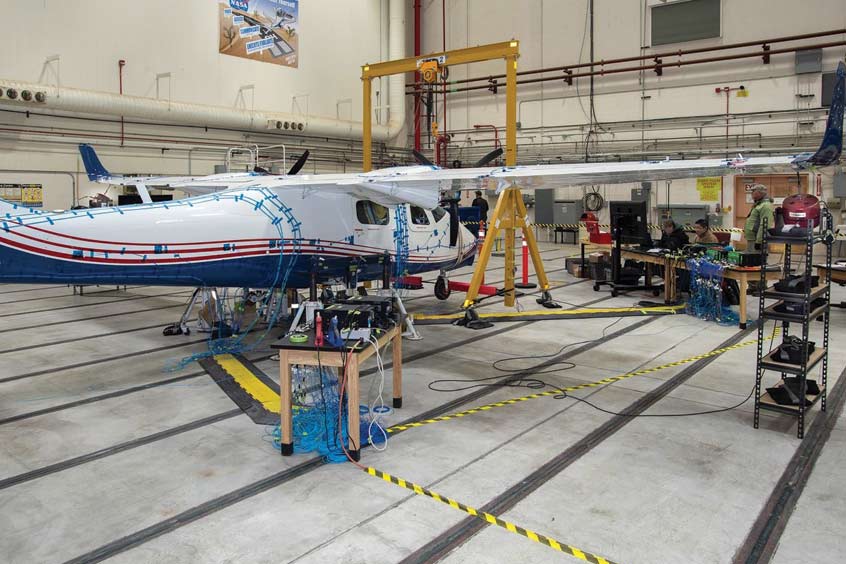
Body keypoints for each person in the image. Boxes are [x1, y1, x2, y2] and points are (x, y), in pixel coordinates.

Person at [744, 186, 775, 250]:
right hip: (752, 238)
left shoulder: (766, 205)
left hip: (757, 239)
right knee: (750, 258)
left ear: (760, 193)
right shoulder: (759, 204)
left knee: (756, 258)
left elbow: (765, 224)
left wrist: (759, 242)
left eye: (753, 191)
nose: (751, 194)